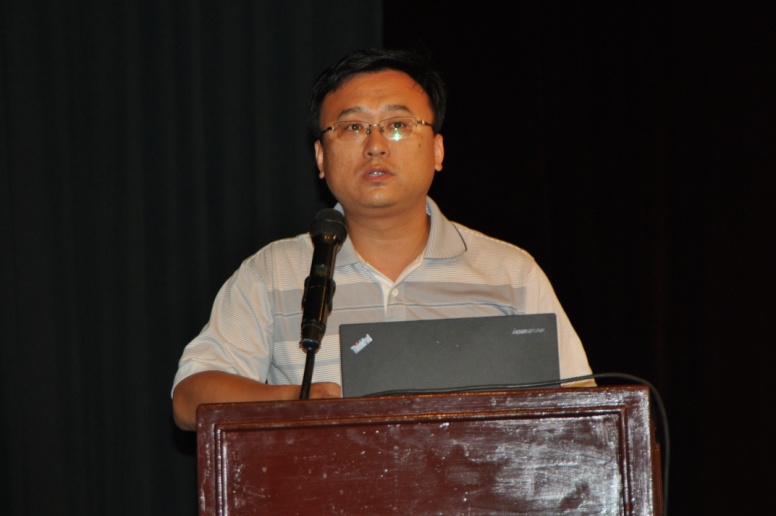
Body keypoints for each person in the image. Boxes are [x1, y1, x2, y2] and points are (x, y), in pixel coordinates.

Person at [171, 48, 593, 431]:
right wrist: (299, 401)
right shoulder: (272, 273)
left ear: (437, 150)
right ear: (321, 157)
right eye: (353, 126)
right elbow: (190, 398)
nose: (375, 145)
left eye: (398, 125)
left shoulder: (510, 273)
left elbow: (586, 412)